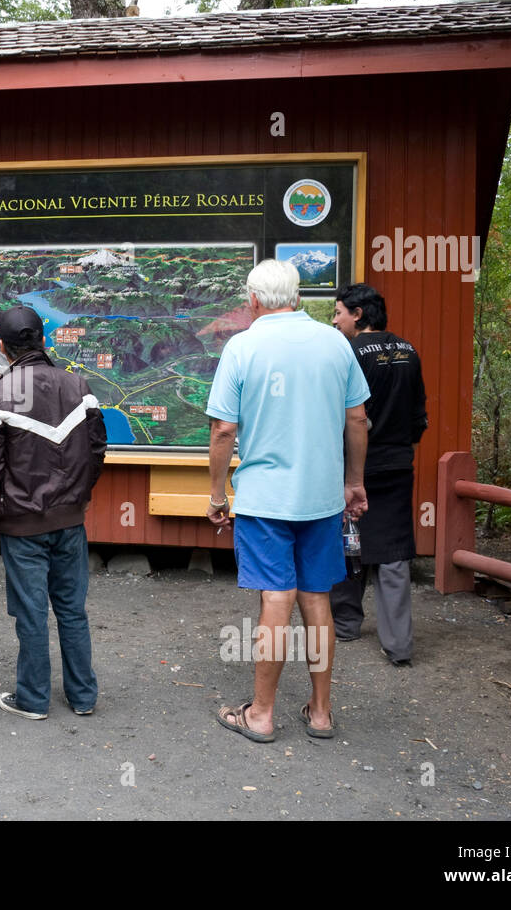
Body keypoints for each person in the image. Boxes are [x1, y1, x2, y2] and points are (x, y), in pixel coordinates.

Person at [205, 259, 369, 743]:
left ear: (253, 301)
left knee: (276, 598)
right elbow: (357, 419)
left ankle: (261, 714)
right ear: (297, 296)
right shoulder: (334, 342)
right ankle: (320, 712)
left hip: (264, 499)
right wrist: (353, 482)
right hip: (321, 498)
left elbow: (223, 429)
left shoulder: (243, 346)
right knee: (317, 598)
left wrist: (218, 493)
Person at [0, 305, 107, 720]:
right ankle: (83, 697)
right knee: (72, 609)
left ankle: (33, 699)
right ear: (43, 341)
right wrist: (78, 496)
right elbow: (97, 450)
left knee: (30, 611)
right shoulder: (79, 387)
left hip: (20, 525)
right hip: (69, 520)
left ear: (2, 348)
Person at [330, 284, 428, 666]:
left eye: (338, 312)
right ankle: (400, 646)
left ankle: (345, 624)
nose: (335, 320)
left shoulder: (347, 353)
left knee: (346, 541)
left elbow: (343, 415)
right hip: (397, 464)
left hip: (352, 466)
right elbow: (419, 415)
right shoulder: (410, 351)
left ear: (357, 314)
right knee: (393, 552)